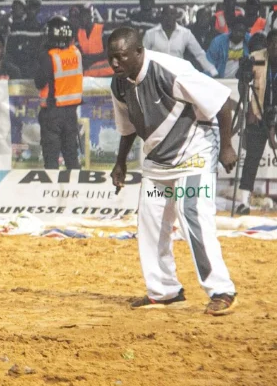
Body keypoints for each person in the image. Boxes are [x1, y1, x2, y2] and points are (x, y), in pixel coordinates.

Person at [108, 26, 238, 316]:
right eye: (111, 58)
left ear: (139, 52)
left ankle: (222, 290)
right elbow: (128, 128)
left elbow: (223, 101)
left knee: (191, 211)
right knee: (151, 221)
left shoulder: (171, 70)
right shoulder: (118, 84)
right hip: (156, 160)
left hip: (194, 153)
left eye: (121, 57)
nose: (115, 63)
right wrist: (119, 163)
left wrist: (227, 146)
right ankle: (164, 290)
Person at [33, 16, 83, 170]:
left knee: (51, 159)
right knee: (71, 158)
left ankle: (51, 192)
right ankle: (76, 190)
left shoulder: (49, 56)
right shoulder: (76, 53)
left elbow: (39, 82)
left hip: (52, 112)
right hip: (71, 113)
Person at [234, 33, 274, 215]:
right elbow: (242, 86)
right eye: (273, 44)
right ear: (267, 44)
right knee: (251, 160)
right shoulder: (256, 58)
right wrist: (244, 76)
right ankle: (244, 202)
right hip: (258, 114)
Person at [143, 5, 218, 76]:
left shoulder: (185, 33)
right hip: (157, 76)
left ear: (176, 16)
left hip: (178, 76)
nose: (169, 17)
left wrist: (212, 71)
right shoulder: (150, 34)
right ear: (162, 16)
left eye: (172, 14)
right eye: (166, 14)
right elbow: (142, 56)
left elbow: (199, 54)